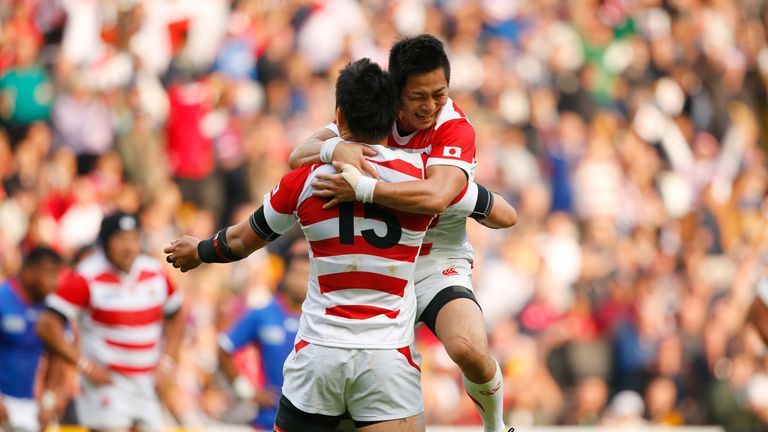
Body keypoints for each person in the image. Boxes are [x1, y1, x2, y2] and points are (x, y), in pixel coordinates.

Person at [164, 58, 515, 432]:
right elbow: (503, 213)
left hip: (318, 355)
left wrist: (199, 250)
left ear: (338, 117)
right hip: (385, 361)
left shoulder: (305, 180)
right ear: (395, 113)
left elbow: (239, 241)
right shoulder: (421, 181)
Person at [289, 34, 510, 432]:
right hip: (381, 265)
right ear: (395, 91)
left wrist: (365, 189)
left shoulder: (455, 129)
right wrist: (333, 150)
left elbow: (438, 195)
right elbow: (297, 154)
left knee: (470, 349)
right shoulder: (374, 112)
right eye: (418, 97)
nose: (430, 107)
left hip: (435, 260)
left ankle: (496, 425)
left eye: (439, 94)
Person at [36, 211, 184, 432]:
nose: (128, 247)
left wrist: (167, 360)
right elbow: (47, 325)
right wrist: (83, 365)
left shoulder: (155, 273)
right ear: (104, 243)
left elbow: (177, 312)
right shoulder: (87, 276)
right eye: (120, 239)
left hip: (146, 384)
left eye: (133, 238)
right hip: (107, 385)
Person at [217, 238, 309, 431]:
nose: (301, 281)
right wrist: (248, 391)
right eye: (297, 273)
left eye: (307, 276)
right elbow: (223, 348)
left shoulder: (318, 320)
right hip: (268, 419)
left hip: (309, 420)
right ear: (285, 274)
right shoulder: (263, 313)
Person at [0, 247, 67, 432]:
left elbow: (58, 353)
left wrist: (49, 399)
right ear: (29, 272)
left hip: (32, 405)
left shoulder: (51, 308)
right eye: (50, 273)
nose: (55, 282)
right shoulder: (2, 299)